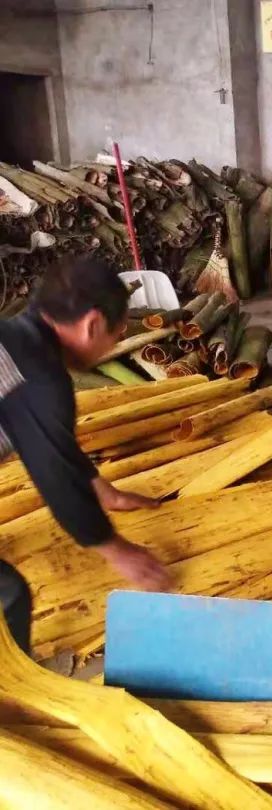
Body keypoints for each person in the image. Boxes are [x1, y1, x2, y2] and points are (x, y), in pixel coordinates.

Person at [0, 256, 171, 652]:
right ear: (92, 324)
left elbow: (47, 440)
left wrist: (102, 490)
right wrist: (117, 549)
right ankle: (16, 698)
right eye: (117, 332)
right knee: (9, 596)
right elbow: (53, 475)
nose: (115, 343)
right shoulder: (41, 377)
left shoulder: (16, 342)